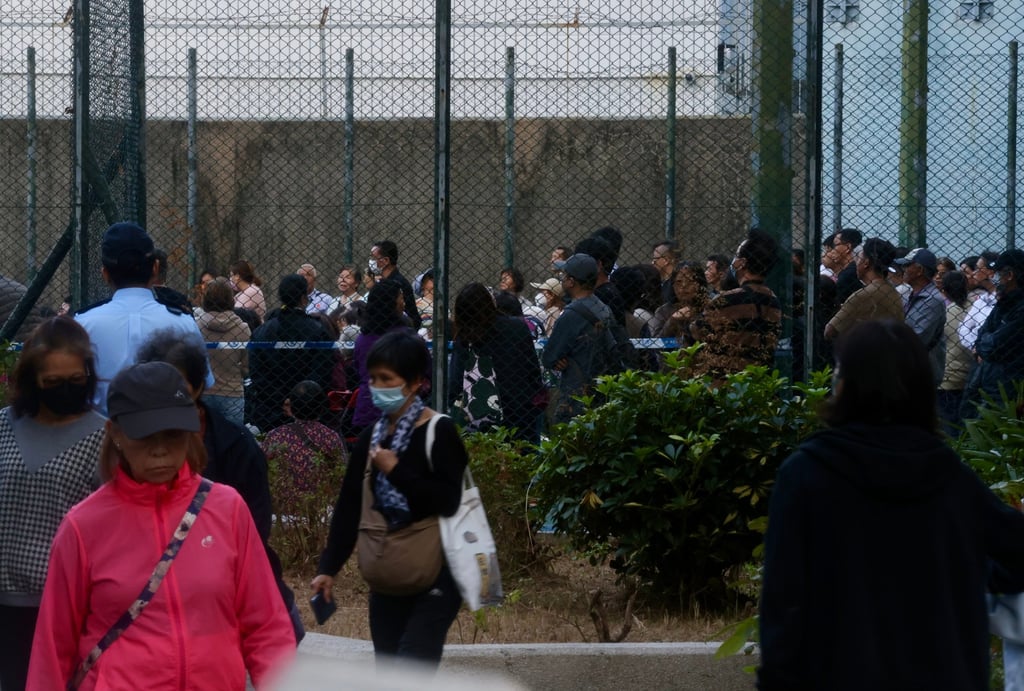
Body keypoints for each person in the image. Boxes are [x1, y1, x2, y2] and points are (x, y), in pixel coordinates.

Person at [758, 319, 1024, 690]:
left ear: (844, 385)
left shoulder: (806, 474)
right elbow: (1015, 549)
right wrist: (973, 575)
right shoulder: (950, 477)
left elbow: (782, 601)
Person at [27, 362, 295, 689]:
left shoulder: (227, 509)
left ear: (194, 429)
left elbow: (266, 626)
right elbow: (53, 648)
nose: (159, 451)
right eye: (144, 436)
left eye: (172, 435)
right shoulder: (82, 527)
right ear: (116, 434)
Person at [134, 329, 305, 645]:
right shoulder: (129, 444)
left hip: (225, 581)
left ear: (198, 386)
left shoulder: (235, 445)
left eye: (179, 387)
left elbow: (255, 527)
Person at [312, 332, 467, 666]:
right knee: (389, 671)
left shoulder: (439, 433)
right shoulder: (372, 438)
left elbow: (447, 500)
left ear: (413, 383)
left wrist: (397, 471)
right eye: (372, 379)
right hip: (388, 577)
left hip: (436, 575)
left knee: (412, 669)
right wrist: (329, 568)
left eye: (387, 379)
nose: (376, 387)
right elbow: (350, 505)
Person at [0, 318, 105, 691]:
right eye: (53, 383)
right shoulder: (4, 427)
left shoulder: (104, 438)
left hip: (63, 608)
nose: (66, 390)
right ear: (32, 380)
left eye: (76, 381)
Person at [75, 221, 212, 413]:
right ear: (155, 268)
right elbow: (203, 383)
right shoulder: (183, 323)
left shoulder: (81, 325)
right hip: (167, 435)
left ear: (105, 274)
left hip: (101, 438)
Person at [448, 283, 545, 443]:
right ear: (490, 303)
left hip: (480, 415)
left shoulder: (465, 338)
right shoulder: (517, 328)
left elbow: (455, 382)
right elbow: (532, 369)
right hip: (520, 409)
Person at [248, 274, 335, 432]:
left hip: (270, 411)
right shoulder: (318, 331)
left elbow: (257, 374)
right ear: (304, 298)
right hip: (309, 411)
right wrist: (299, 400)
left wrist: (280, 399)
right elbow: (322, 371)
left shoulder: (262, 332)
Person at [690, 228, 782, 377]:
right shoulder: (772, 300)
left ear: (742, 263)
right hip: (759, 379)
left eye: (737, 255)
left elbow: (697, 330)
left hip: (726, 379)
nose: (734, 260)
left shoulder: (728, 300)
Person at [541, 253, 616, 423]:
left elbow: (549, 357)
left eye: (564, 275)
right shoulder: (604, 308)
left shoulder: (570, 314)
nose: (562, 278)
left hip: (576, 396)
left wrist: (559, 359)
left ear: (571, 281)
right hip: (603, 391)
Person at [961, 249, 1024, 420]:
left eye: (997, 273)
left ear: (1009, 275)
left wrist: (983, 346)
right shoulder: (1003, 302)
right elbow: (983, 334)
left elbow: (997, 343)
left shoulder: (1020, 307)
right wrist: (983, 345)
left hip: (1009, 387)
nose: (994, 278)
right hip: (990, 380)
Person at [352, 280, 417, 433]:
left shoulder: (363, 339)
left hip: (367, 409)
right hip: (402, 411)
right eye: (400, 298)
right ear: (392, 303)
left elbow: (358, 370)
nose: (403, 303)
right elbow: (426, 372)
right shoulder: (408, 337)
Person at [262, 380, 347, 495]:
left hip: (282, 505)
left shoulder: (275, 435)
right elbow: (341, 476)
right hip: (320, 504)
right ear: (322, 406)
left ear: (291, 406)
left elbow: (262, 472)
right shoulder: (331, 437)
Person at [823, 237, 903, 341]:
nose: (855, 263)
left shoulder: (863, 295)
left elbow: (829, 331)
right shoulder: (892, 291)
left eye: (858, 258)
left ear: (866, 263)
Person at [196, 277, 251, 426]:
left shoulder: (196, 325)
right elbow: (246, 366)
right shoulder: (243, 328)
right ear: (231, 299)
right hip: (232, 391)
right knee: (233, 441)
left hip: (203, 390)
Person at [893, 247, 946, 386]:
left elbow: (918, 338)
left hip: (920, 373)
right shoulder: (913, 294)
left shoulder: (932, 299)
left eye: (907, 265)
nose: (903, 269)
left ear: (919, 270)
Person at [937, 271, 973, 437]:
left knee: (949, 427)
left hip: (948, 378)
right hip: (971, 376)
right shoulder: (977, 308)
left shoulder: (945, 313)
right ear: (967, 286)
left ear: (943, 291)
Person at [651, 261, 708, 342]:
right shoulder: (663, 311)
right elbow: (656, 344)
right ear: (673, 285)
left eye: (690, 281)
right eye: (679, 282)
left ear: (700, 284)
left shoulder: (709, 307)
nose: (684, 286)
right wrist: (672, 320)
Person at [369, 241, 421, 329]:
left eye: (374, 258)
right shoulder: (382, 281)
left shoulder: (397, 283)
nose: (371, 261)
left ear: (385, 261)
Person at [651, 241, 678, 305]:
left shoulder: (676, 283)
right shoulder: (663, 283)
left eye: (655, 259)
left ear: (666, 260)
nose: (652, 263)